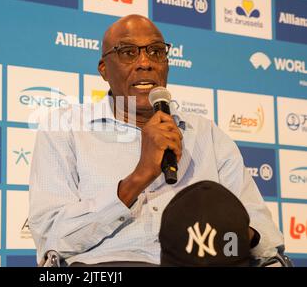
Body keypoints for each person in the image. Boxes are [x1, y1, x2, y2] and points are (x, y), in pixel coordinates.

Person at [28, 14, 284, 266]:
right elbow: (51, 237)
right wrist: (138, 178)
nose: (145, 63)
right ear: (104, 69)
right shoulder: (64, 130)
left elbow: (266, 238)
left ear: (167, 64)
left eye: (156, 51)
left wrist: (225, 231)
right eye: (128, 52)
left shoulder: (207, 134)